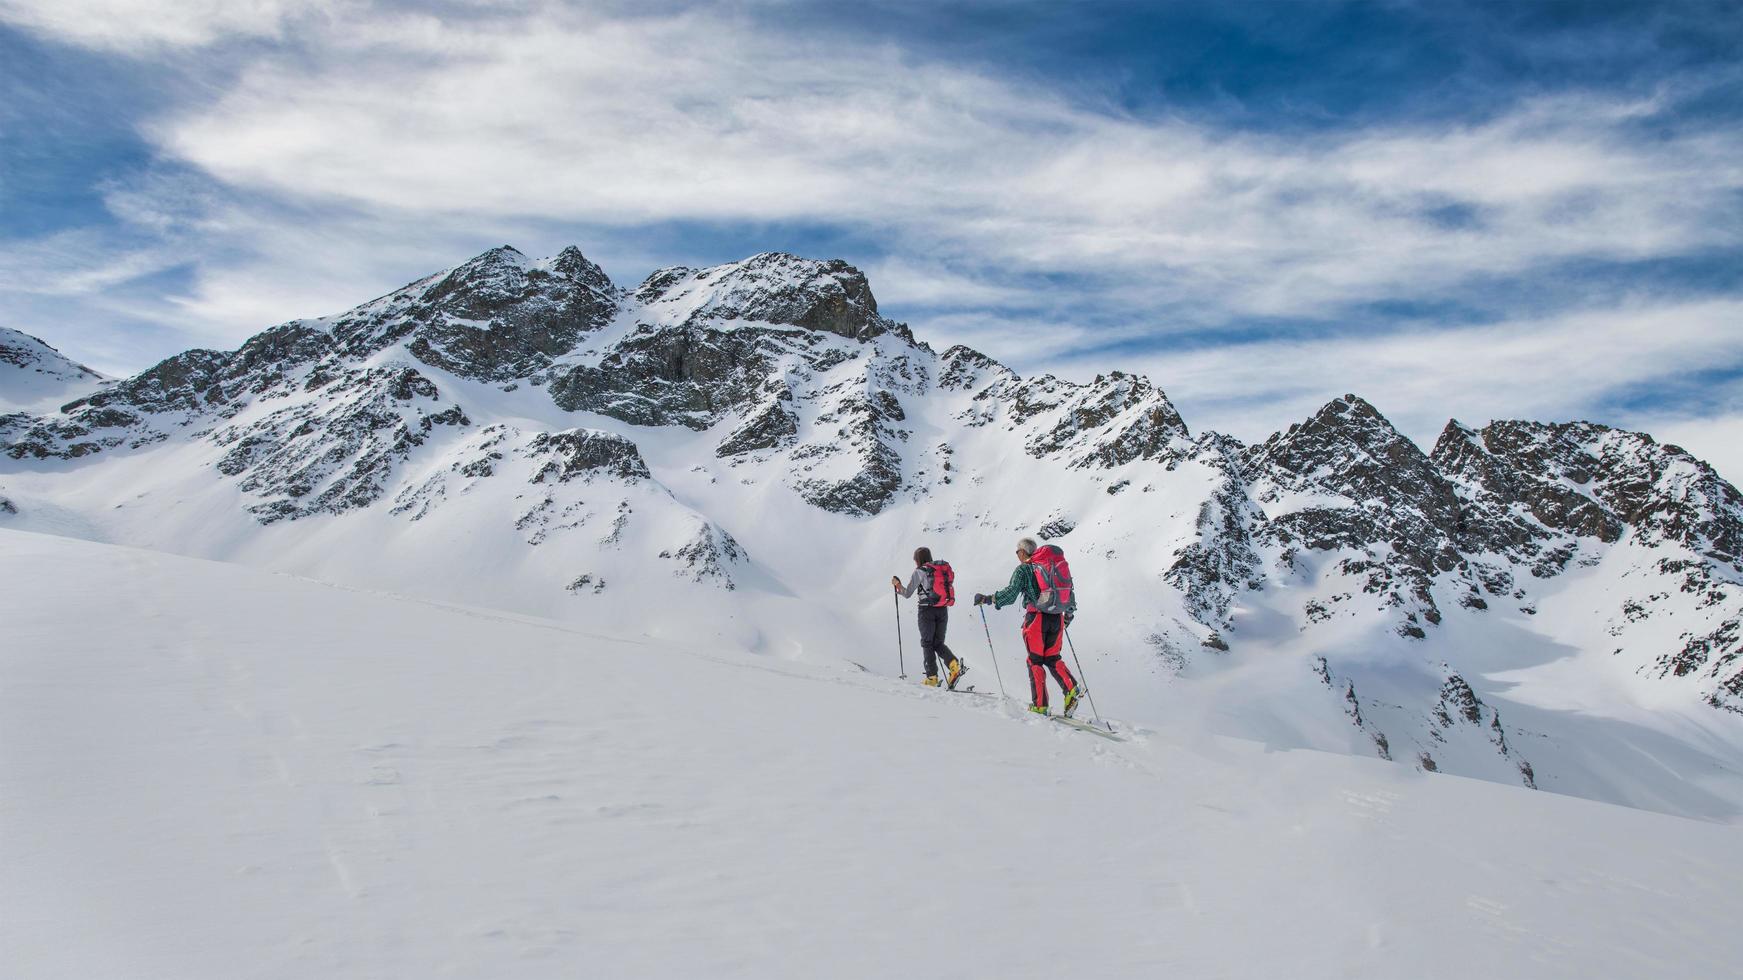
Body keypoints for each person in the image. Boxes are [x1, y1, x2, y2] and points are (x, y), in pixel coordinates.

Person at [974, 537, 1083, 717]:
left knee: (1034, 660)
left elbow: (1010, 594)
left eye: (1017, 552)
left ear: (1023, 552)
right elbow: (1068, 591)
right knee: (1053, 658)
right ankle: (1071, 689)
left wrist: (988, 599)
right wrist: (1068, 616)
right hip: (1057, 617)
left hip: (1036, 619)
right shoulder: (1051, 567)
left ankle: (1040, 706)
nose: (1017, 555)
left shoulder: (1024, 569)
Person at [892, 547, 966, 689]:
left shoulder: (920, 571)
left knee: (927, 643)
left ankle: (931, 677)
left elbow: (907, 593)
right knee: (938, 643)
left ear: (918, 559)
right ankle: (954, 666)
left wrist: (897, 585)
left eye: (915, 559)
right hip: (942, 609)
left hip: (926, 610)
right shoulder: (940, 570)